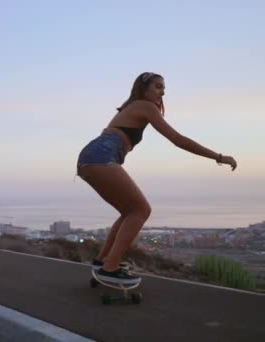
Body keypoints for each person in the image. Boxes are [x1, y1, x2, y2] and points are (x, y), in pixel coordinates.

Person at [76, 72, 237, 284]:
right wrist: (218, 157)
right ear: (144, 89)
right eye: (158, 87)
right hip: (101, 156)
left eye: (164, 88)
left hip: (91, 157)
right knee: (141, 210)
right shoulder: (145, 106)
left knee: (128, 211)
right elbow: (178, 139)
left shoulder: (132, 107)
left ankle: (103, 261)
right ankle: (110, 267)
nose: (162, 92)